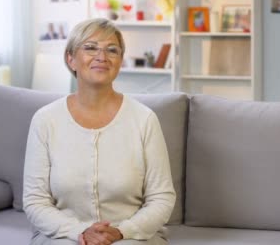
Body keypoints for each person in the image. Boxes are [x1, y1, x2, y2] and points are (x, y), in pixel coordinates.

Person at [24, 18, 176, 245]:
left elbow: (161, 198)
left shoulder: (144, 119)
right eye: (90, 48)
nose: (102, 57)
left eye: (111, 50)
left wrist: (121, 232)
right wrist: (80, 232)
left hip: (132, 236)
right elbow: (35, 200)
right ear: (71, 59)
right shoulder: (45, 120)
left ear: (120, 61)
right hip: (63, 235)